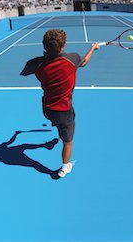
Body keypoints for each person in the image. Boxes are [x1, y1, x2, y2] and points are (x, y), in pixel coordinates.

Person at [20, 29, 99, 178]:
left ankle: (53, 135)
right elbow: (85, 61)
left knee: (56, 121)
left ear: (44, 46)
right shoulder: (73, 58)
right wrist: (93, 48)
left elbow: (24, 72)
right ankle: (64, 167)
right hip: (64, 112)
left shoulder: (35, 64)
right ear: (63, 47)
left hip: (47, 110)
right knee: (67, 141)